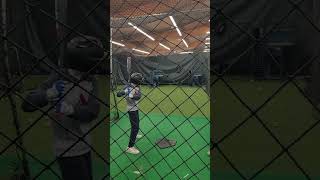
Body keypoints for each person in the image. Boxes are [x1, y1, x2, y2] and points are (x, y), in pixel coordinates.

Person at [21, 36, 104, 180]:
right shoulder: (58, 77)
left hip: (85, 145)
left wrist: (70, 110)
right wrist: (48, 94)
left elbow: (93, 111)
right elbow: (27, 104)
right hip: (66, 149)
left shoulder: (91, 81)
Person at [117, 72, 144, 154]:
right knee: (135, 127)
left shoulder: (137, 86)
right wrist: (124, 92)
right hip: (131, 109)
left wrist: (131, 96)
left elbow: (139, 96)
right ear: (136, 80)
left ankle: (135, 135)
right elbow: (118, 94)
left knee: (137, 124)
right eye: (140, 80)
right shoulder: (128, 87)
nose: (141, 81)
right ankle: (130, 147)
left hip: (135, 108)